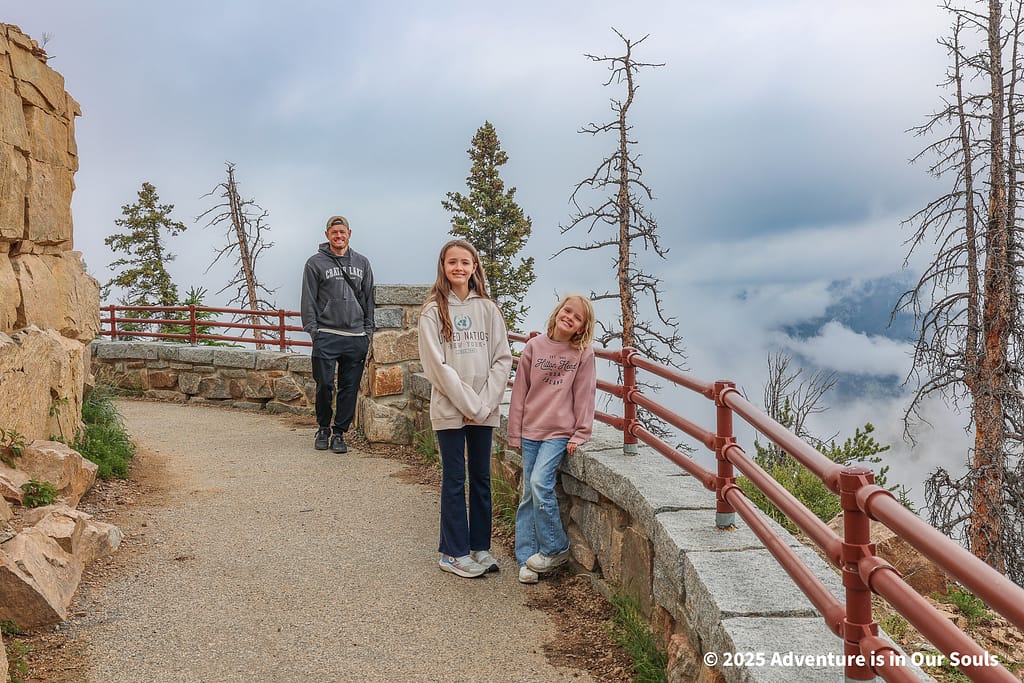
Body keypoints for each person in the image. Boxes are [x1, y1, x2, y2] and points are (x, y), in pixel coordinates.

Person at [417, 239, 512, 578]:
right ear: (443, 267)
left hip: (483, 408)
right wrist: (469, 403)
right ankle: (453, 553)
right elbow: (436, 366)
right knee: (455, 479)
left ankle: (479, 548)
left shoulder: (488, 309)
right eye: (452, 262)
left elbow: (502, 359)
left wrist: (484, 404)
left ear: (475, 267)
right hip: (450, 409)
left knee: (482, 479)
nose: (458, 268)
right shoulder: (432, 310)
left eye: (465, 262)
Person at [508, 294, 596, 584]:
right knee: (528, 495)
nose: (569, 317)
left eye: (577, 317)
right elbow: (520, 392)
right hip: (532, 429)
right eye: (567, 310)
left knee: (539, 483)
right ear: (558, 311)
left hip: (559, 432)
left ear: (581, 328)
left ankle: (555, 548)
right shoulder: (534, 347)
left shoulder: (582, 354)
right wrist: (515, 431)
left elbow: (584, 395)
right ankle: (527, 560)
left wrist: (581, 432)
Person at [300, 215, 375, 454]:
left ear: (349, 234)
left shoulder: (362, 262)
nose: (339, 236)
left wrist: (368, 331)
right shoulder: (315, 263)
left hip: (355, 336)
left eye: (342, 232)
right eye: (334, 233)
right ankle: (323, 428)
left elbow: (369, 298)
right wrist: (313, 330)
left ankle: (340, 433)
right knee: (324, 385)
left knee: (349, 387)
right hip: (327, 333)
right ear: (327, 236)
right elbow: (308, 299)